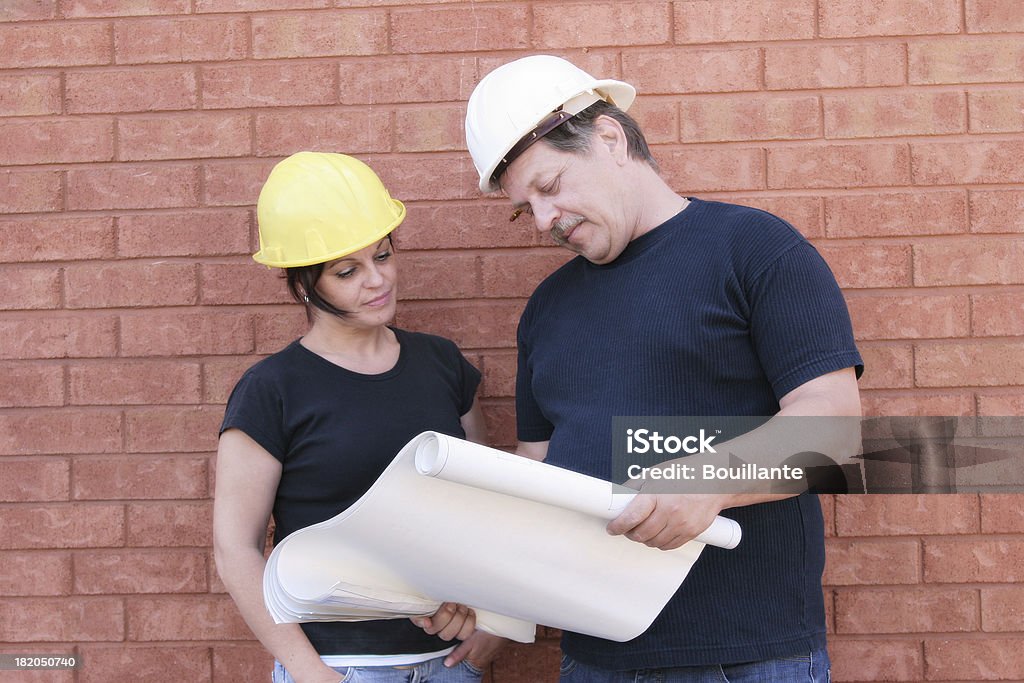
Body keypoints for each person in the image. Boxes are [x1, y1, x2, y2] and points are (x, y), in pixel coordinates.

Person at [464, 56, 864, 682]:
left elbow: (834, 433)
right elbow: (536, 472)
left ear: (609, 139)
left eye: (549, 187)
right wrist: (489, 598)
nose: (543, 221)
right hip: (596, 659)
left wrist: (711, 482)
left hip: (747, 657)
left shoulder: (755, 249)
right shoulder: (546, 309)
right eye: (525, 209)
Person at [213, 152, 504, 683]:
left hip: (449, 665)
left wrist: (493, 629)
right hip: (341, 667)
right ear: (304, 284)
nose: (377, 280)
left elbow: (483, 505)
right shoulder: (272, 391)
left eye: (384, 255)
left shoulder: (442, 364)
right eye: (348, 271)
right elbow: (235, 549)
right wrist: (311, 673)